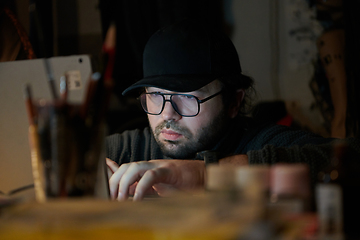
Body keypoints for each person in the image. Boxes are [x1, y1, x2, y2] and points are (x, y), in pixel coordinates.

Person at [105, 19, 360, 201]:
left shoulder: (258, 142)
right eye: (156, 95)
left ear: (234, 102)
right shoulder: (130, 151)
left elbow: (350, 156)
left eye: (187, 96)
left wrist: (208, 176)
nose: (168, 114)